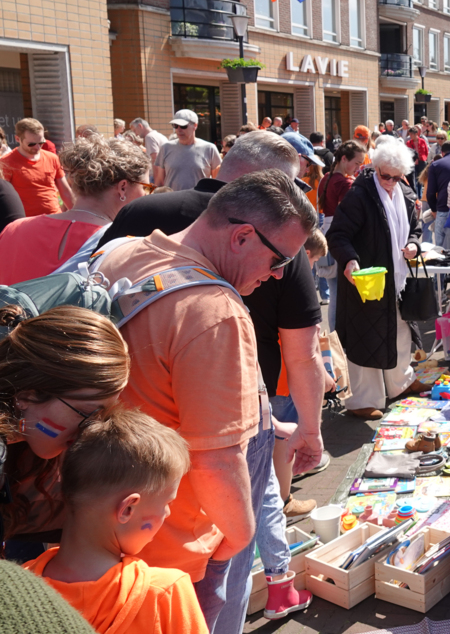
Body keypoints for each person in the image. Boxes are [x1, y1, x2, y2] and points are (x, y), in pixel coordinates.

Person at [94, 169, 318, 631]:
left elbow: (152, 384)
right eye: (279, 260)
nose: (277, 275)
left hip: (102, 529)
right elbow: (216, 461)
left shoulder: (122, 256)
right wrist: (239, 539)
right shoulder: (215, 311)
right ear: (240, 236)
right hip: (175, 549)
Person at [24, 407, 207, 634]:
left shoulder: (18, 588)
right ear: (127, 509)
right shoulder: (165, 592)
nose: (167, 514)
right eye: (167, 504)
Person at [0, 306, 129, 544]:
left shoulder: (28, 439)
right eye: (87, 414)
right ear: (26, 397)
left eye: (104, 416)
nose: (91, 430)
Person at [327, 140, 422, 420]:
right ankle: (361, 401)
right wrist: (349, 260)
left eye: (396, 176)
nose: (391, 182)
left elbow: (415, 228)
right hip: (365, 280)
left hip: (398, 279)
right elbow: (338, 235)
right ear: (374, 168)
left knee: (401, 331)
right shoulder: (359, 195)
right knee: (363, 337)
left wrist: (414, 244)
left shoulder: (404, 192)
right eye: (385, 176)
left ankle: (400, 383)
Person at [0, 137, 151, 284]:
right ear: (123, 187)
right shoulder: (122, 247)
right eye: (145, 187)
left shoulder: (13, 229)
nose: (145, 194)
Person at [317, 140, 367, 323]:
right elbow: (346, 216)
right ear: (344, 159)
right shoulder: (345, 183)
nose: (358, 168)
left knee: (335, 291)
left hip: (327, 233)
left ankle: (334, 339)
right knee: (341, 295)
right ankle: (338, 341)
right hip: (341, 236)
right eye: (357, 163)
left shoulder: (326, 178)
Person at [0, 118, 74, 215]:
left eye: (41, 143)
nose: (37, 147)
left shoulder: (52, 158)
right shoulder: (6, 162)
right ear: (18, 139)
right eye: (31, 144)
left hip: (53, 217)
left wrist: (78, 216)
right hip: (26, 221)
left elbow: (65, 192)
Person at [154, 110, 221, 191]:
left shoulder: (209, 148)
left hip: (198, 201)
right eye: (175, 125)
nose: (179, 129)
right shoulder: (166, 148)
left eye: (183, 126)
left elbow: (217, 180)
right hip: (172, 201)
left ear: (195, 126)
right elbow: (160, 182)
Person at [425, 140, 450, 247]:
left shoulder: (436, 165)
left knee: (440, 250)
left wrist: (434, 209)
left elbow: (431, 192)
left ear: (442, 153)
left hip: (443, 208)